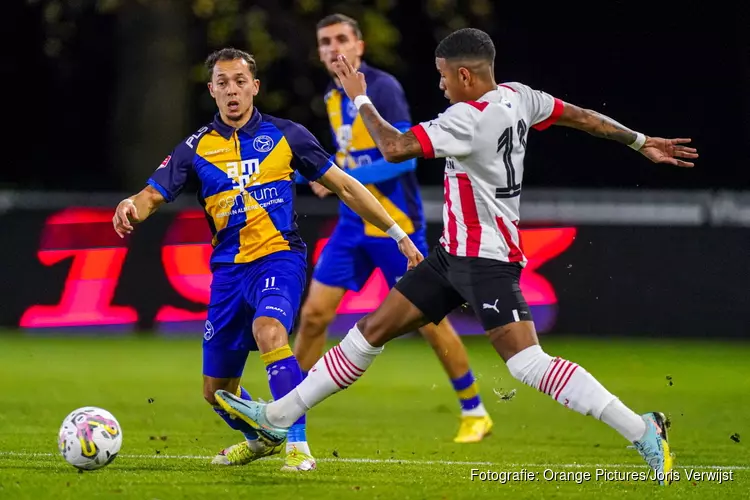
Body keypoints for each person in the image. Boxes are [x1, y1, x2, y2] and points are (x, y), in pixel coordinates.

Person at [214, 29, 698, 485]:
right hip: (452, 257)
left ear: (465, 75)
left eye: (444, 75)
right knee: (368, 334)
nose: (441, 85)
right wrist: (639, 141)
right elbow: (583, 117)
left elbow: (394, 145)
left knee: (527, 364)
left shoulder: (465, 118)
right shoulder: (521, 96)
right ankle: (279, 417)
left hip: (485, 260)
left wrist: (359, 94)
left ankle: (641, 429)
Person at [111, 47, 422, 472]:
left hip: (278, 260)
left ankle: (298, 447)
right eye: (223, 83)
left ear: (255, 87)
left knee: (269, 329)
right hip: (227, 274)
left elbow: (346, 187)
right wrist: (130, 204)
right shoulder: (194, 148)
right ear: (212, 91)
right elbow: (151, 195)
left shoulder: (287, 135)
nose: (232, 90)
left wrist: (398, 234)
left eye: (240, 81)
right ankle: (261, 439)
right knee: (216, 392)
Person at [293, 13, 492, 443]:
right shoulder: (331, 95)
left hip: (395, 227)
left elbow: (399, 154)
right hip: (351, 227)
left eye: (342, 39)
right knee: (312, 317)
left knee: (428, 322)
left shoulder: (381, 88)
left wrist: (340, 179)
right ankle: (285, 409)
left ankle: (474, 409)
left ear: (360, 46)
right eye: (325, 41)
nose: (333, 48)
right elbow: (347, 157)